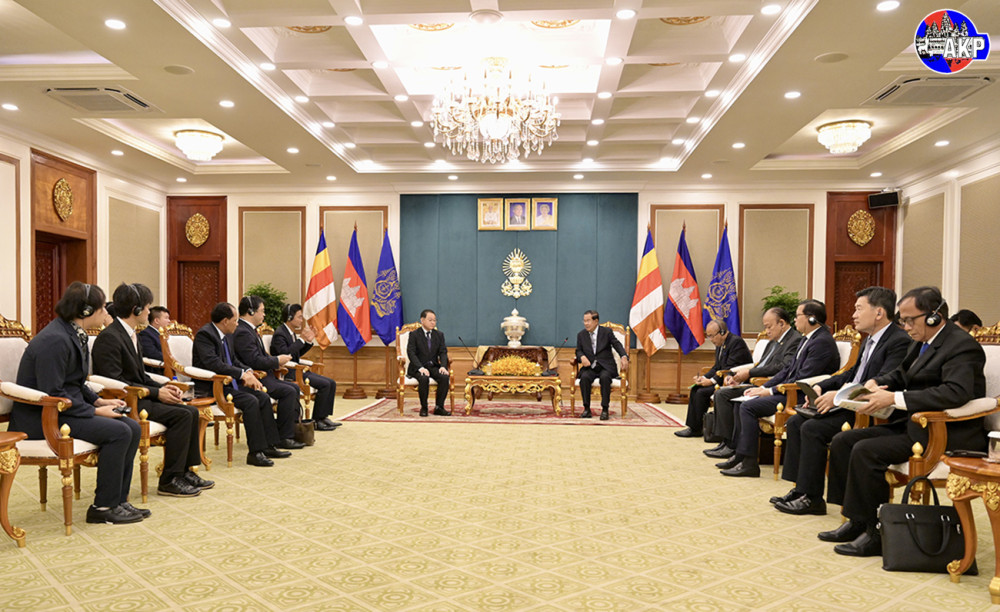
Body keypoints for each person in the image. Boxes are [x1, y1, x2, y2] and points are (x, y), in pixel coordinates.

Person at [822, 286, 987, 557]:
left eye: (910, 320)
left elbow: (956, 392)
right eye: (903, 320)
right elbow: (900, 373)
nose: (906, 327)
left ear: (934, 316)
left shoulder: (962, 346)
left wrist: (895, 399)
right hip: (914, 425)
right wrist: (875, 382)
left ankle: (877, 534)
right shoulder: (920, 341)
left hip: (944, 432)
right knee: (843, 441)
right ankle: (858, 521)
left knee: (865, 450)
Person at [10, 282, 148, 524]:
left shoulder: (73, 333)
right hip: (45, 417)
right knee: (119, 432)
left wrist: (98, 401)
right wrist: (97, 412)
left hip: (66, 408)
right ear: (86, 311)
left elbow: (76, 381)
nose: (106, 312)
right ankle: (102, 507)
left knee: (133, 427)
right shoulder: (55, 340)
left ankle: (118, 500)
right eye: (102, 307)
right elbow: (53, 392)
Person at [772, 286, 911, 516]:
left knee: (813, 428)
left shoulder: (898, 341)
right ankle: (801, 490)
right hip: (850, 404)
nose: (853, 315)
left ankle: (813, 499)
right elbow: (851, 374)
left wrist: (836, 397)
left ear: (878, 312)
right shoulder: (869, 340)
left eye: (859, 309)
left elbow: (881, 382)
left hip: (869, 409)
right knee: (797, 422)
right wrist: (822, 386)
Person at [92, 283, 213, 498]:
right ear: (136, 309)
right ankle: (169, 480)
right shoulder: (110, 337)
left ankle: (185, 471)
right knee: (182, 415)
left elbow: (140, 375)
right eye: (147, 307)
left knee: (191, 411)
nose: (149, 311)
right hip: (127, 400)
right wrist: (157, 394)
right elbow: (115, 382)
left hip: (142, 393)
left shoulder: (131, 334)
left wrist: (164, 387)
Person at [721, 299, 840, 477]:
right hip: (788, 389)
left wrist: (770, 391)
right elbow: (787, 370)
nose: (795, 319)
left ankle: (749, 464)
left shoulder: (821, 341)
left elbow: (802, 377)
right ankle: (740, 456)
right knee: (742, 402)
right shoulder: (807, 338)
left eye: (798, 316)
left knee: (747, 407)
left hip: (799, 395)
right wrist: (764, 387)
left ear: (812, 319)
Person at [192, 303, 289, 467]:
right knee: (251, 401)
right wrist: (241, 374)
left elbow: (234, 360)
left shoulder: (228, 335)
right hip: (213, 387)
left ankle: (269, 445)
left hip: (230, 384)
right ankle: (255, 453)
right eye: (235, 320)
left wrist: (248, 371)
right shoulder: (205, 335)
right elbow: (214, 364)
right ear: (225, 321)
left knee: (263, 397)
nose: (237, 324)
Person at [705, 307, 802, 459]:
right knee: (722, 393)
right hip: (758, 382)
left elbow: (781, 368)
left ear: (782, 323)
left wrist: (750, 374)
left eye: (769, 327)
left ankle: (732, 446)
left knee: (724, 395)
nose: (766, 331)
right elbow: (759, 365)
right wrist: (736, 376)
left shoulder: (794, 340)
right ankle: (726, 442)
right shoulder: (773, 342)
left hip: (769, 384)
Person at [233, 296, 304, 450]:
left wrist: (276, 361)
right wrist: (277, 360)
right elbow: (253, 360)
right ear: (251, 311)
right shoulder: (242, 332)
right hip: (256, 376)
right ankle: (284, 437)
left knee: (293, 387)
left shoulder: (250, 330)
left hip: (265, 374)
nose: (264, 314)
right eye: (262, 311)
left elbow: (263, 356)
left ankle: (287, 432)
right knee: (288, 391)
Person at [675, 319, 752, 438]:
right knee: (695, 389)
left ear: (722, 332)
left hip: (735, 381)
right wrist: (703, 378)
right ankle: (694, 427)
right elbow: (717, 367)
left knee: (702, 392)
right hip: (723, 379)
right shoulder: (720, 344)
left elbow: (729, 369)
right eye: (708, 336)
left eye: (711, 336)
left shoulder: (736, 343)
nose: (710, 339)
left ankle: (698, 428)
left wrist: (711, 381)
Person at [271, 303, 340, 431]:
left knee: (331, 383)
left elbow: (296, 353)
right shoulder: (280, 334)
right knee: (325, 384)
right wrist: (301, 340)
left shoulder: (290, 332)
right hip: (289, 372)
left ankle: (323, 417)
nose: (301, 320)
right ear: (290, 317)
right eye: (299, 317)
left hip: (298, 369)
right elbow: (285, 354)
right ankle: (317, 421)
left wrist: (307, 341)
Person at [575, 310, 629, 421]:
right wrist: (582, 357)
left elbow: (617, 344)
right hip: (591, 367)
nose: (586, 323)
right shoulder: (581, 335)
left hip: (605, 366)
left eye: (588, 321)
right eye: (584, 321)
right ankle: (586, 409)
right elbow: (578, 350)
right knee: (584, 378)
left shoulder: (607, 332)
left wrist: (623, 356)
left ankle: (605, 409)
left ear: (596, 321)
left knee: (605, 378)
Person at [407, 309, 451, 417]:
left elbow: (443, 352)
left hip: (433, 366)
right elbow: (411, 353)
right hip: (418, 367)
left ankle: (439, 407)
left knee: (444, 377)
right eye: (430, 320)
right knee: (424, 378)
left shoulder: (439, 335)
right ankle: (424, 408)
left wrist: (443, 366)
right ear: (422, 320)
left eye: (434, 320)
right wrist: (420, 368)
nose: (433, 322)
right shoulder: (414, 334)